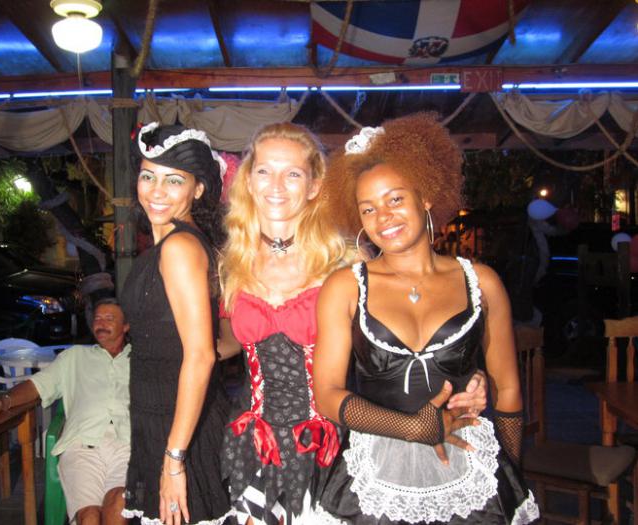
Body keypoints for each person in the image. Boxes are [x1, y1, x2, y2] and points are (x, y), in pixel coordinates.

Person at [217, 122, 488, 525]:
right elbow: (224, 343)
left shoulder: (347, 259)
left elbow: (415, 329)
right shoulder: (232, 262)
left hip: (332, 443)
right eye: (264, 171)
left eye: (293, 174)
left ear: (314, 185)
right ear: (248, 181)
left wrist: (468, 376)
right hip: (254, 443)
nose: (276, 185)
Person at [313, 114, 540, 524]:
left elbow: (507, 388)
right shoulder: (344, 287)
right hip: (375, 475)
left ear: (427, 197)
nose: (384, 217)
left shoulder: (482, 282)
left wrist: (510, 473)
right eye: (368, 209)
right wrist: (411, 428)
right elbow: (327, 394)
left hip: (469, 469)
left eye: (395, 199)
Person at [120, 123, 232, 525]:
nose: (156, 190)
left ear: (198, 189)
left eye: (173, 180)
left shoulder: (180, 247)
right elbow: (219, 341)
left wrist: (174, 459)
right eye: (148, 176)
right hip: (165, 418)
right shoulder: (175, 244)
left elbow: (201, 356)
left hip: (178, 428)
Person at [0, 298, 132, 525]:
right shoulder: (75, 357)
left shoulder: (142, 360)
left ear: (126, 326)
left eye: (109, 318)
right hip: (82, 446)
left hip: (128, 446)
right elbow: (37, 385)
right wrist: (4, 400)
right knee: (89, 517)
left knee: (118, 504)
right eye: (97, 318)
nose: (101, 324)